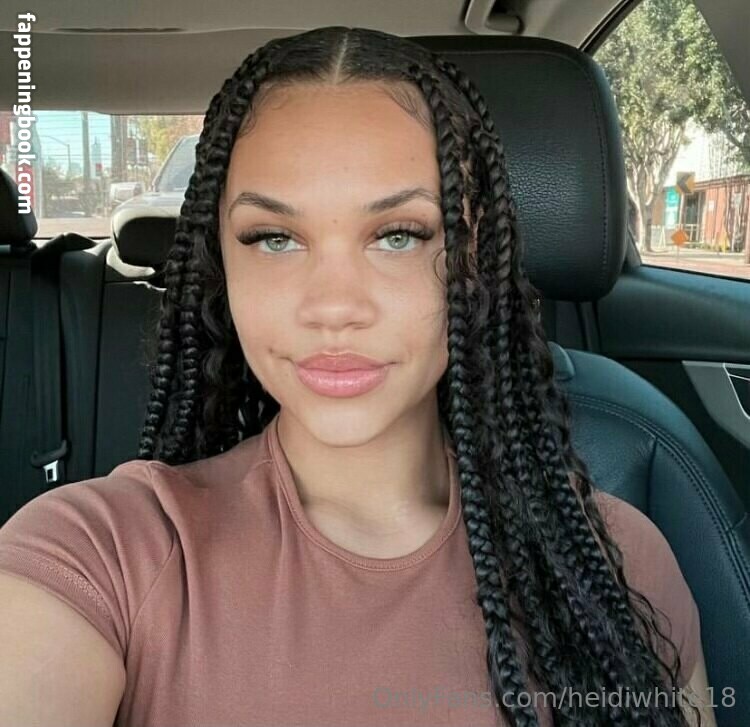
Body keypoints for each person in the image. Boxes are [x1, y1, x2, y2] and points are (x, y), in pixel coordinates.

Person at [0, 26, 716, 727]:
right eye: (274, 238)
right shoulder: (100, 550)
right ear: (223, 262)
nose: (333, 306)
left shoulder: (613, 562)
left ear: (473, 257)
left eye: (398, 235)